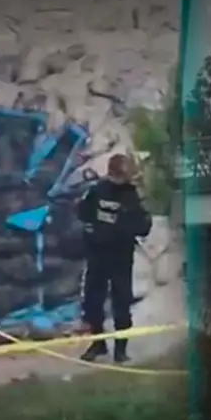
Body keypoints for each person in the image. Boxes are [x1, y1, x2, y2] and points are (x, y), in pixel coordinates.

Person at [77, 154, 152, 363]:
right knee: (93, 302)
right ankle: (98, 344)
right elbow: (83, 213)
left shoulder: (132, 196)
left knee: (122, 303)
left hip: (121, 257)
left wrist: (126, 227)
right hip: (98, 255)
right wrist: (94, 232)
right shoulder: (97, 190)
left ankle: (121, 349)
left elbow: (144, 226)